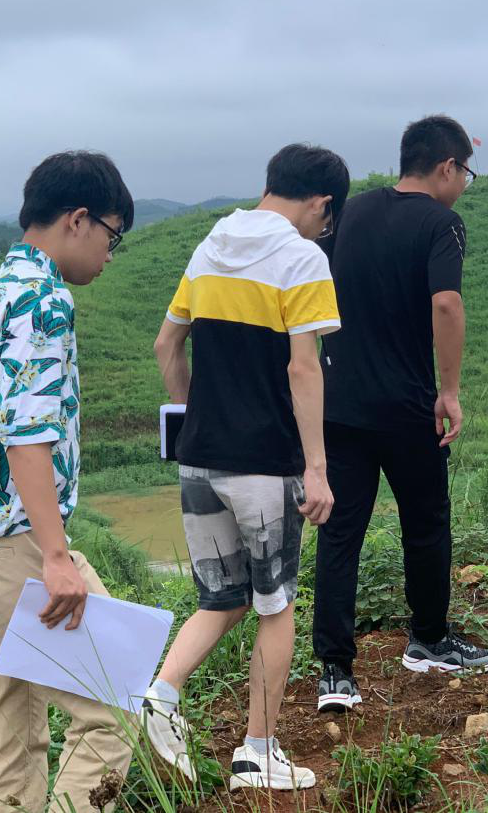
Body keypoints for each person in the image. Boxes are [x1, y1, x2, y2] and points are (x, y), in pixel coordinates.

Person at [0, 151, 135, 813]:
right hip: (8, 543)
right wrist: (56, 556)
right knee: (114, 709)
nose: (110, 254)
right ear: (78, 220)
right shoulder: (44, 299)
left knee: (7, 739)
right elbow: (27, 435)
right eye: (113, 236)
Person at [143, 143, 348, 791]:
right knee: (276, 606)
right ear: (321, 203)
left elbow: (166, 343)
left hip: (199, 460)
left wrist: (197, 415)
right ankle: (257, 752)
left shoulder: (211, 244)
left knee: (224, 596)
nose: (323, 231)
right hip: (264, 463)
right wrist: (317, 468)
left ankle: (160, 696)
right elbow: (303, 368)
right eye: (327, 219)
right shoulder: (302, 258)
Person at [312, 115, 488, 715]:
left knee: (341, 534)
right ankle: (429, 639)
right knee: (425, 521)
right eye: (465, 173)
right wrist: (450, 390)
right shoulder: (442, 223)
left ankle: (335, 671)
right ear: (446, 167)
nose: (464, 184)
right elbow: (446, 303)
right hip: (407, 404)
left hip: (339, 404)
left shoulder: (352, 212)